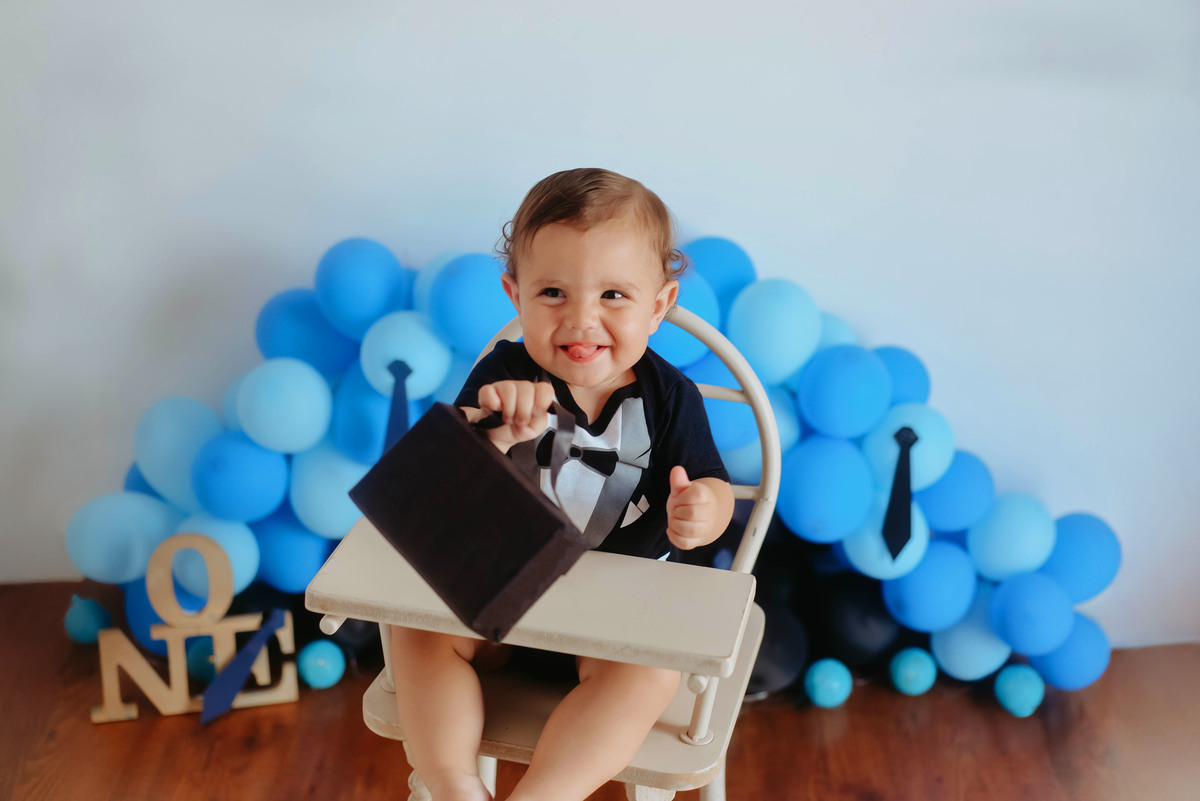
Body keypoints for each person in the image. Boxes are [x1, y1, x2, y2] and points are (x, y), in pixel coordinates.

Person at [389, 168, 735, 801]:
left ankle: (544, 795)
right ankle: (453, 783)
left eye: (613, 295)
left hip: (618, 623)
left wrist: (703, 509)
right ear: (514, 295)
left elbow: (712, 483)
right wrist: (491, 430)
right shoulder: (503, 374)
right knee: (416, 630)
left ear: (659, 305)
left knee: (649, 674)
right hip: (499, 599)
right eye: (553, 292)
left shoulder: (671, 397)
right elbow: (436, 486)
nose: (581, 319)